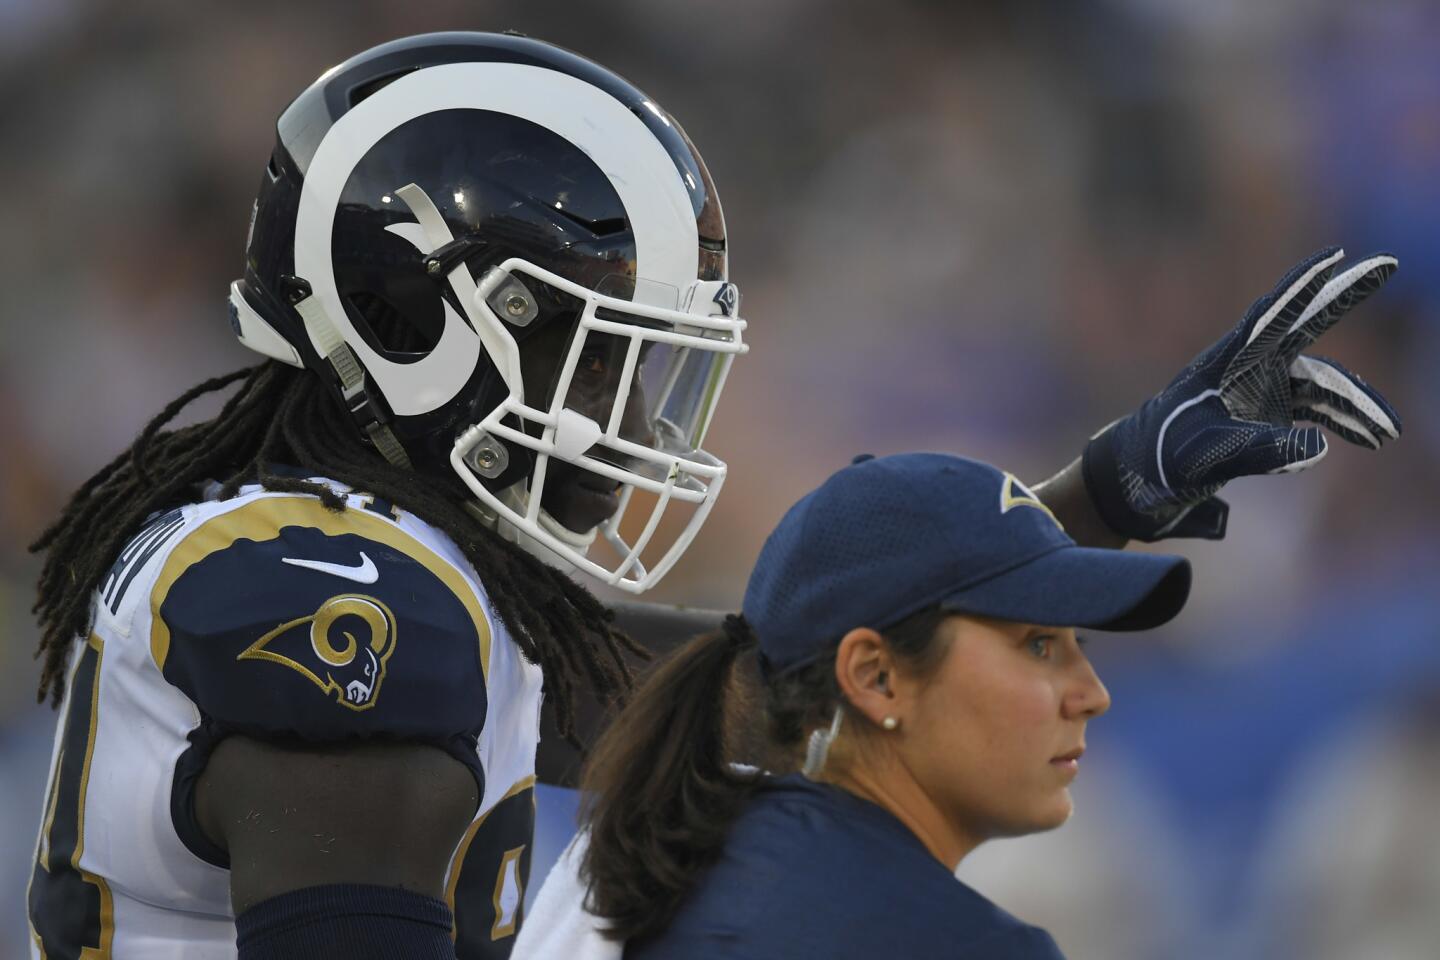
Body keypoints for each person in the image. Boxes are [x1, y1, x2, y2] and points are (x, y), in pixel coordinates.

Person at [23, 23, 1401, 960]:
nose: (627, 414)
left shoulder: (399, 576)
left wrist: (1098, 498)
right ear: (427, 321)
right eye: (596, 352)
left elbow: (772, 687)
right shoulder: (342, 603)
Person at [514, 248, 1405, 960]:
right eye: (1040, 646)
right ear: (875, 679)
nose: (1091, 692)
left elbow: (818, 641)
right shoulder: (946, 940)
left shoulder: (645, 854)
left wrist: (1104, 495)